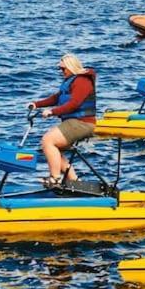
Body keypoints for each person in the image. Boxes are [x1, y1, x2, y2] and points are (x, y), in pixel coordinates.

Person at [28, 54, 97, 188]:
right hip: (73, 122)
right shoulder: (70, 81)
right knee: (54, 148)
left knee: (48, 140)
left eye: (63, 69)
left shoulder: (82, 81)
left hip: (82, 123)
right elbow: (56, 98)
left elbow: (74, 104)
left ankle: (55, 179)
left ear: (71, 67)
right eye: (60, 69)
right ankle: (75, 183)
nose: (61, 72)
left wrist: (52, 112)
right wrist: (36, 104)